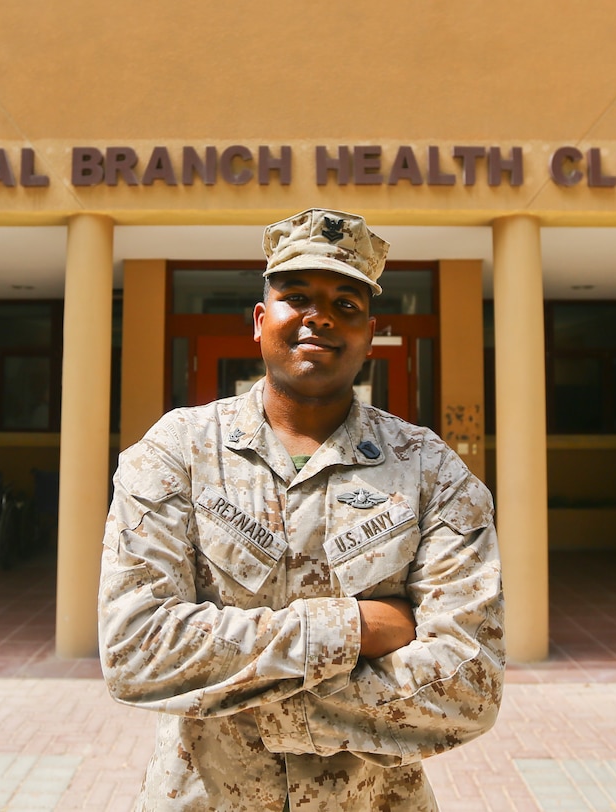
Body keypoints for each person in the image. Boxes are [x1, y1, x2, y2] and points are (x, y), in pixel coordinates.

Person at [99, 208, 505, 811]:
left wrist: (253, 703)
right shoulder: (177, 452)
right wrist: (358, 628)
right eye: (296, 296)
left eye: (347, 303)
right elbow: (136, 649)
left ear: (371, 332)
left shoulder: (430, 471)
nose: (320, 315)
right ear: (261, 322)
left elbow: (468, 686)